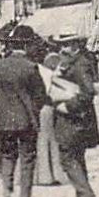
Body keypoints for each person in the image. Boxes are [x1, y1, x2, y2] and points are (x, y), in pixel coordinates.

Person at [0, 26, 50, 197]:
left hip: (4, 119)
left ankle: (7, 191)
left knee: (8, 156)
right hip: (26, 120)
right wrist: (34, 109)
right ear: (26, 45)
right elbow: (40, 95)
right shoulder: (31, 67)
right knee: (27, 160)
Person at [52, 36, 99, 197]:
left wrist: (68, 106)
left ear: (75, 45)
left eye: (66, 45)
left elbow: (88, 92)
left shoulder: (80, 65)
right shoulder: (72, 62)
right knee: (77, 158)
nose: (62, 49)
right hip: (77, 120)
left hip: (75, 119)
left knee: (67, 157)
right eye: (61, 45)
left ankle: (87, 196)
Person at [33, 47, 67, 187]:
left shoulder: (39, 71)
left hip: (40, 109)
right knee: (50, 141)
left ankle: (42, 175)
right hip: (48, 108)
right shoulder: (51, 76)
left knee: (41, 141)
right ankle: (50, 175)